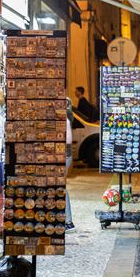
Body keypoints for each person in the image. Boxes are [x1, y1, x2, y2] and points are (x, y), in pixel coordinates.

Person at [64, 99, 76, 231]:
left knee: (61, 187)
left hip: (63, 155)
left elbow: (68, 139)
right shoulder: (67, 115)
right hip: (65, 155)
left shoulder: (65, 117)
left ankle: (68, 221)